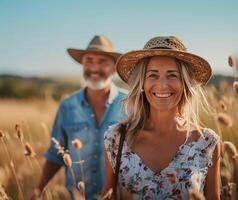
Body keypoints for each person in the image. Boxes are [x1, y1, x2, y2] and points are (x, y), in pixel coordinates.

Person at [101, 36, 221, 200]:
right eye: (153, 75)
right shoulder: (115, 138)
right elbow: (107, 195)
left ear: (184, 83)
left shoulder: (207, 142)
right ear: (142, 83)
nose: (162, 85)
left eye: (172, 75)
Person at [32, 35, 126, 200]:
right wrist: (38, 192)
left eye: (102, 61)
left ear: (113, 68)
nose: (94, 68)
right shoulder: (67, 106)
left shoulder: (129, 104)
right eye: (88, 61)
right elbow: (56, 154)